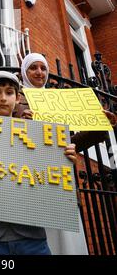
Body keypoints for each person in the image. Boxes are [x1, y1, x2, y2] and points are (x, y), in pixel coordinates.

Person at [0, 70, 77, 256]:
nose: (3, 98)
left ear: (17, 98)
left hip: (31, 233)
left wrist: (64, 161)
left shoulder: (36, 132)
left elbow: (46, 176)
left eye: (9, 93)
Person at [16, 52, 117, 255]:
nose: (39, 72)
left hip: (60, 181)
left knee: (67, 245)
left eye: (43, 68)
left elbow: (71, 143)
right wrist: (22, 123)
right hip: (30, 181)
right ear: (24, 72)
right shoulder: (14, 99)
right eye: (33, 67)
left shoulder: (58, 100)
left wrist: (99, 124)